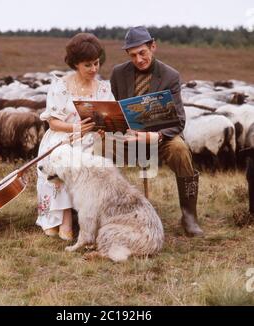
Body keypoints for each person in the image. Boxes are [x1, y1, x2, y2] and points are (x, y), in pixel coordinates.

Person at [110, 26, 204, 237]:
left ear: (153, 46)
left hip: (161, 139)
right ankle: (105, 212)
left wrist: (157, 135)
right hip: (129, 138)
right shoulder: (117, 74)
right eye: (133, 55)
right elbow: (117, 110)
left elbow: (179, 121)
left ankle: (189, 216)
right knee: (97, 150)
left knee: (180, 149)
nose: (139, 59)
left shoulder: (170, 76)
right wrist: (118, 130)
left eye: (143, 52)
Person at [36, 33, 115, 240]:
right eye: (88, 65)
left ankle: (83, 216)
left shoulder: (104, 88)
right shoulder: (61, 86)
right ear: (76, 64)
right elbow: (52, 121)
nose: (94, 69)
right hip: (63, 134)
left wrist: (102, 128)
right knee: (63, 154)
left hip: (91, 139)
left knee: (86, 156)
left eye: (97, 63)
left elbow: (110, 118)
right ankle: (60, 217)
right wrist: (74, 129)